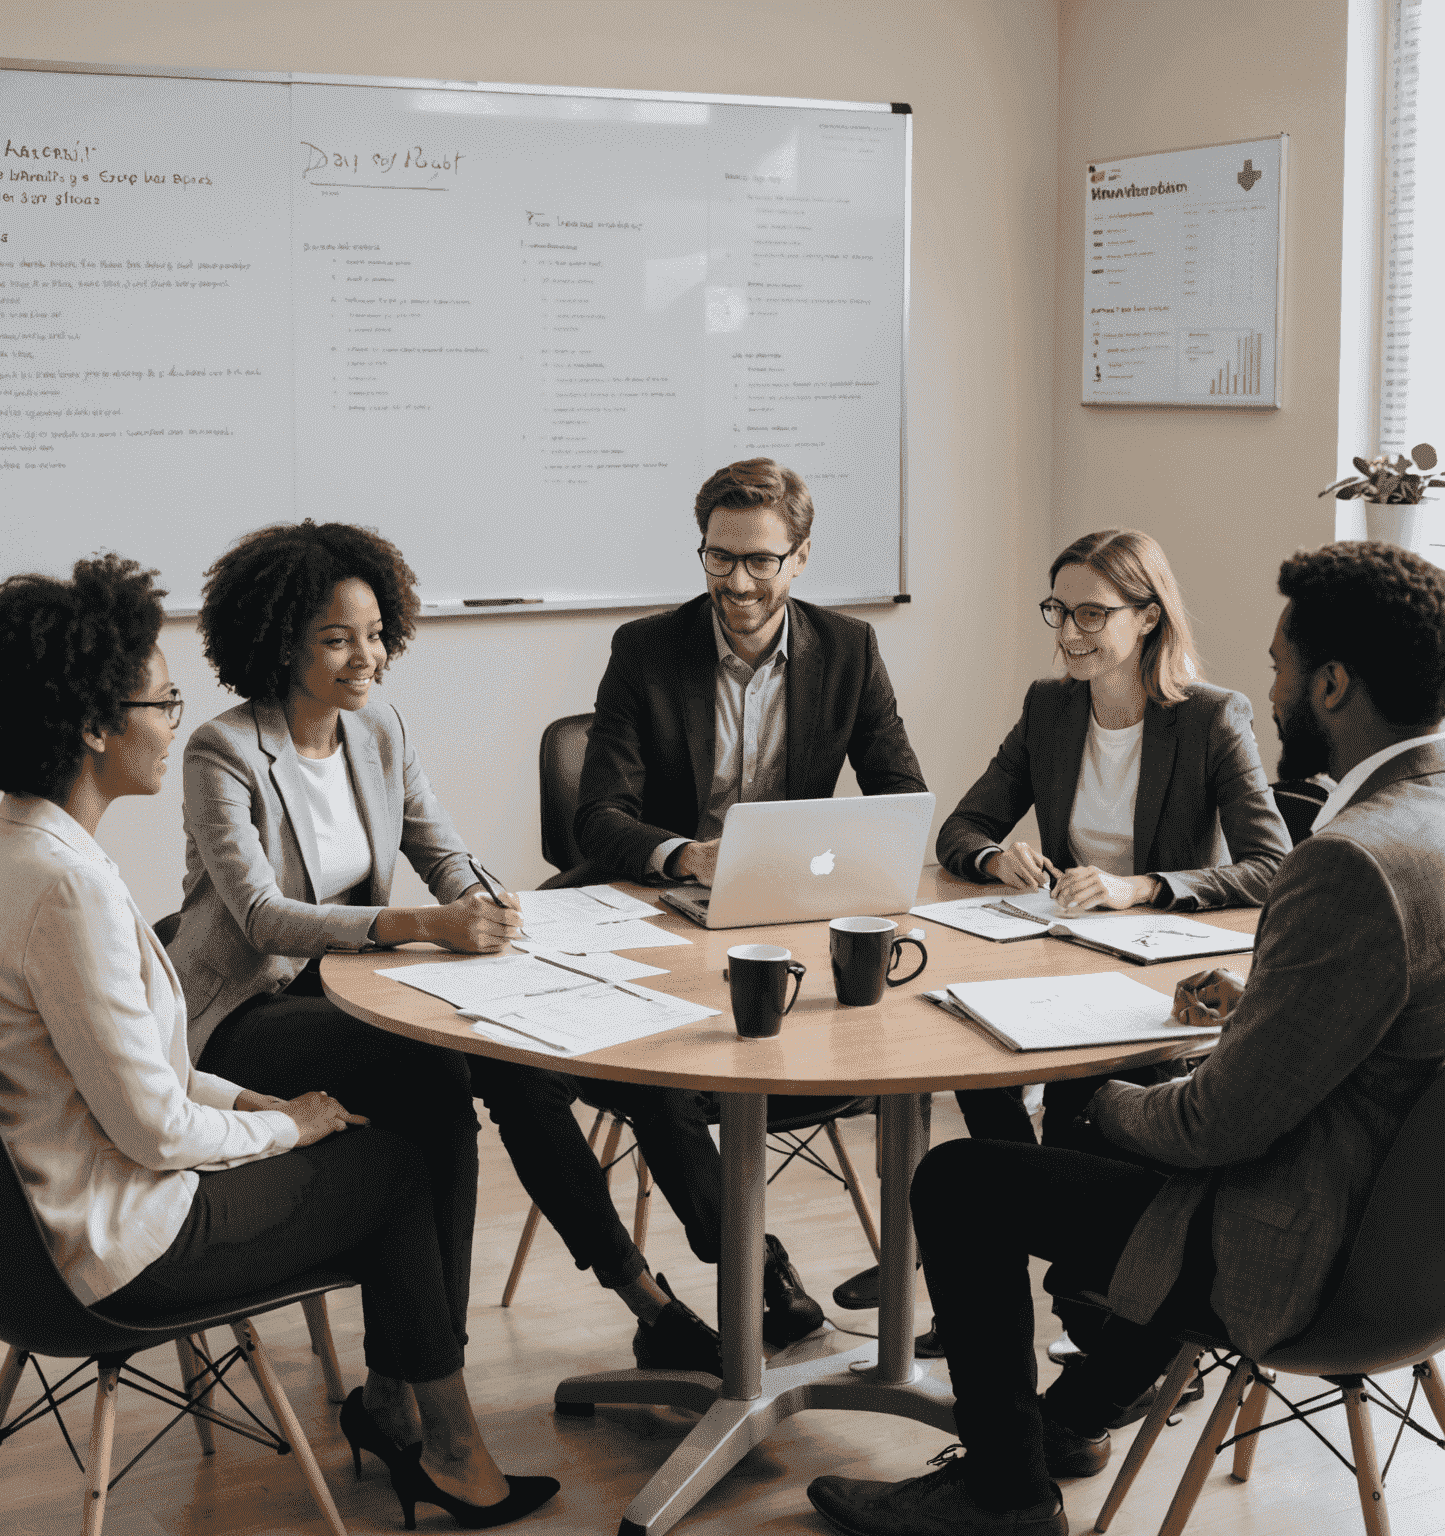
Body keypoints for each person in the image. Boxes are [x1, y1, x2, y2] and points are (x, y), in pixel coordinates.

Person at [804, 540, 1445, 1536]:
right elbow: (1385, 1016)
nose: (1269, 685)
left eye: (1280, 665)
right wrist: (1259, 999)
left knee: (967, 1179)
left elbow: (1210, 1132)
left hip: (1307, 1249)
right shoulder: (1426, 825)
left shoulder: (1349, 861)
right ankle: (1074, 1414)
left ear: (1331, 683)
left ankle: (1004, 1497)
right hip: (1416, 1257)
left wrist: (1096, 1094)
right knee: (1085, 1152)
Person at [0, 555, 557, 1531]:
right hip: (119, 1245)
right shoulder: (69, 886)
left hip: (28, 1229)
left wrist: (250, 1103)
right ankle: (445, 1444)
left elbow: (138, 1072)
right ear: (94, 726)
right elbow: (152, 1131)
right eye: (159, 698)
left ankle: (405, 1409)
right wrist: (290, 1129)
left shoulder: (3, 850)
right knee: (394, 1169)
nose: (175, 716)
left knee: (399, 1111)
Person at [168, 519, 774, 1384]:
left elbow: (441, 851)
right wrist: (422, 927)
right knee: (440, 1080)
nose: (365, 659)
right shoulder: (223, 751)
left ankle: (643, 1302)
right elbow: (263, 917)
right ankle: (425, 1379)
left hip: (355, 986)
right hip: (249, 1012)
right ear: (277, 641)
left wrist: (478, 899)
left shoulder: (378, 732)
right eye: (337, 640)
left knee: (519, 1065)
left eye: (377, 636)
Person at [572, 456, 928, 1341]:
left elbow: (899, 791)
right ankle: (755, 1266)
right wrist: (686, 856)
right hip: (662, 907)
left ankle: (905, 1266)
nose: (737, 581)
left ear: (799, 558)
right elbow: (598, 819)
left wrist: (843, 857)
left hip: (782, 919)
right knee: (657, 1069)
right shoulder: (647, 649)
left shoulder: (847, 650)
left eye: (760, 561)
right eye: (719, 557)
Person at [937, 528, 1290, 1147]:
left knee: (1075, 1117)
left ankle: (1023, 1197)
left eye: (1093, 614)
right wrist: (996, 860)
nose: (1069, 632)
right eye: (1060, 611)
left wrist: (1140, 888)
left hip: (1159, 976)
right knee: (959, 1036)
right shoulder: (1050, 708)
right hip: (1062, 955)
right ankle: (1020, 1195)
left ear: (1149, 616)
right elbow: (961, 830)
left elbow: (1272, 864)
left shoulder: (1212, 718)